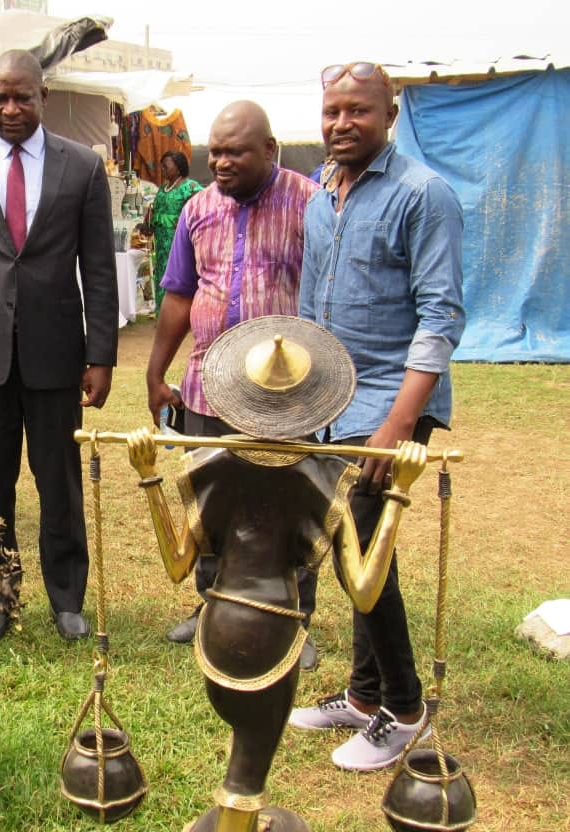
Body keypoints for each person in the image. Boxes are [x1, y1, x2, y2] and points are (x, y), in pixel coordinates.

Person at [127, 316, 428, 832]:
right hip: (274, 638)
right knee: (247, 773)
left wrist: (150, 477)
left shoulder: (211, 464)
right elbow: (363, 589)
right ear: (312, 398)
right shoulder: (325, 475)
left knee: (243, 750)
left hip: (217, 633)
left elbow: (179, 567)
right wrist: (399, 493)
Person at [290, 61, 465, 771]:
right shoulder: (318, 194)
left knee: (365, 550)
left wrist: (394, 428)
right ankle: (362, 697)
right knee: (345, 549)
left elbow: (441, 316)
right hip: (329, 401)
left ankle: (404, 706)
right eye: (331, 110)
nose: (340, 124)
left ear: (389, 114)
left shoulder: (425, 196)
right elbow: (308, 310)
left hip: (391, 403)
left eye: (357, 111)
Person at [0, 49, 118, 644]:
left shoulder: (82, 167)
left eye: (22, 97)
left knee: (58, 479)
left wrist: (102, 355)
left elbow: (100, 269)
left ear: (43, 97)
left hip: (56, 350)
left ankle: (67, 597)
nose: (9, 108)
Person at [145, 101, 320, 662]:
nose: (221, 162)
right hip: (205, 385)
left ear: (270, 149)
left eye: (235, 151)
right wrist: (156, 371)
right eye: (215, 151)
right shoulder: (198, 209)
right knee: (211, 502)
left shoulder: (310, 204)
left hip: (285, 392)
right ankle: (212, 607)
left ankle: (294, 620)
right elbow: (178, 294)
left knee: (287, 503)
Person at [144, 150, 201, 308]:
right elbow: (156, 207)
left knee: (178, 271)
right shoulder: (163, 188)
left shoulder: (189, 186)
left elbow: (199, 208)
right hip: (161, 241)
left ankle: (178, 310)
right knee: (162, 271)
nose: (162, 170)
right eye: (161, 167)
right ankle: (162, 309)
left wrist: (184, 221)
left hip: (178, 240)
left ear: (178, 167)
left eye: (166, 166)